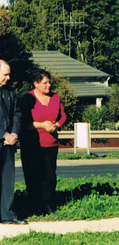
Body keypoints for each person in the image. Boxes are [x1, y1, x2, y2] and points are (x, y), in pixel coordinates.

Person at [20, 69, 67, 215]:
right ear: (36, 84)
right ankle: (35, 206)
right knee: (34, 176)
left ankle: (49, 204)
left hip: (51, 144)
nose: (49, 85)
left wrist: (57, 125)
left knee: (49, 176)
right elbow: (23, 123)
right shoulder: (27, 99)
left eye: (49, 82)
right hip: (32, 145)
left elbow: (63, 116)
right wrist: (42, 125)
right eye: (45, 83)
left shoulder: (55, 98)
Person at [0, 60, 26, 225]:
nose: (9, 78)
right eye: (5, 74)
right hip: (4, 138)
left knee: (7, 179)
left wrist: (14, 134)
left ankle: (6, 215)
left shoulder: (10, 92)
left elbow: (17, 113)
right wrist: (3, 135)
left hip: (9, 144)